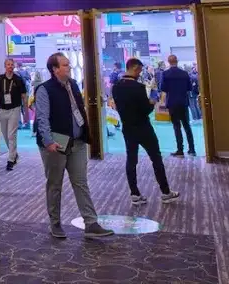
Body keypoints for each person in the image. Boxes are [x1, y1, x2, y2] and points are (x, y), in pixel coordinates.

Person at [33, 53, 113, 240]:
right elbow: (42, 118)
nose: (69, 67)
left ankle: (91, 223)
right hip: (56, 144)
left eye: (68, 64)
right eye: (65, 65)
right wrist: (48, 141)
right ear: (55, 69)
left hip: (77, 142)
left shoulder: (73, 84)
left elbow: (79, 110)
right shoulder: (44, 89)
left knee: (81, 183)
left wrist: (86, 133)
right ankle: (55, 223)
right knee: (55, 184)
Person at [111, 58, 180, 205]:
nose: (140, 73)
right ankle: (165, 192)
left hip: (127, 128)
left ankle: (135, 194)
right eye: (140, 70)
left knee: (131, 160)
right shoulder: (138, 87)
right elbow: (145, 110)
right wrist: (153, 100)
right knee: (156, 158)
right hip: (143, 128)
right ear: (135, 68)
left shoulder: (116, 87)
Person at [0, 58, 28, 171]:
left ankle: (10, 160)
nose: (10, 66)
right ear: (5, 66)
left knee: (11, 135)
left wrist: (26, 113)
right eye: (8, 64)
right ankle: (14, 154)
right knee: (5, 135)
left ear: (13, 66)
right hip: (2, 110)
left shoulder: (18, 80)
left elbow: (24, 96)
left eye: (11, 64)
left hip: (15, 108)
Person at [160, 55, 196, 156]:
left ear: (168, 62)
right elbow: (189, 88)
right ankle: (192, 149)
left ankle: (180, 150)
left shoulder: (165, 74)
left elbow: (163, 88)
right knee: (187, 126)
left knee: (176, 127)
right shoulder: (184, 74)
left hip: (172, 103)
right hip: (183, 102)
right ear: (177, 61)